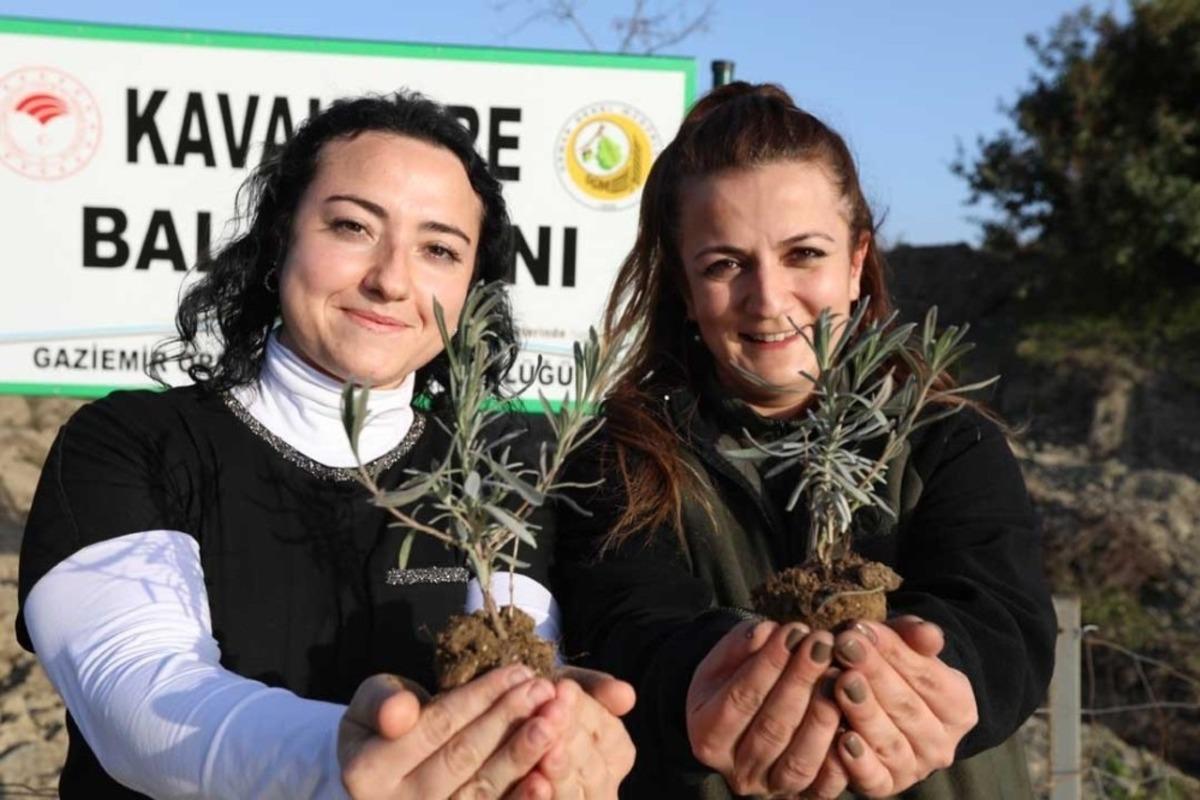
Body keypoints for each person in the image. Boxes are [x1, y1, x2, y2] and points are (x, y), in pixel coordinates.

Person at [16, 92, 634, 799]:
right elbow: (137, 703)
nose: (391, 280)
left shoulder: (496, 473)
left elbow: (526, 659)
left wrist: (551, 732)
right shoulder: (128, 444)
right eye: (351, 226)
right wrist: (346, 766)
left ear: (471, 293)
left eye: (438, 249)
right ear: (279, 240)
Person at [553, 82, 1057, 799]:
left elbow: (1003, 618)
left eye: (804, 255)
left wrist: (940, 676)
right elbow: (632, 625)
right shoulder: (621, 457)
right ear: (685, 292)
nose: (768, 299)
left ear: (855, 264)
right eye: (725, 265)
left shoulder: (948, 441)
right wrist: (708, 679)